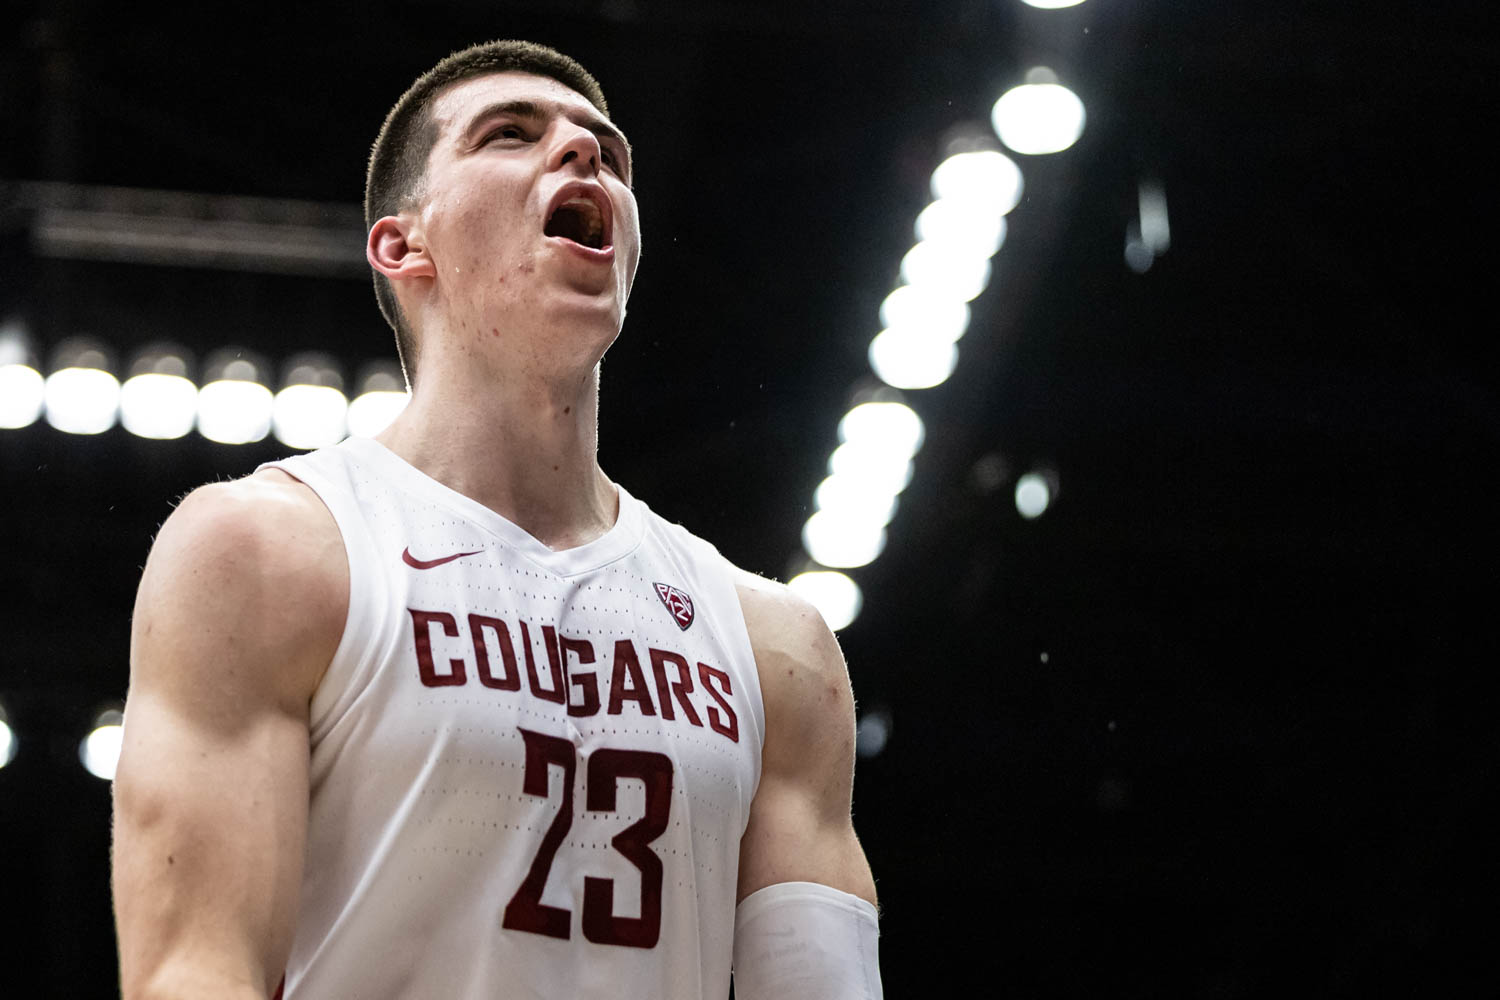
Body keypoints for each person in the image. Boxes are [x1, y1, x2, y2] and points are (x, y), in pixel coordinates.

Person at [111, 39, 882, 1000]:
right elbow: (196, 974)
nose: (582, 152)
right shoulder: (266, 553)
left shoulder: (779, 648)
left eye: (605, 147)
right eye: (510, 134)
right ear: (405, 244)